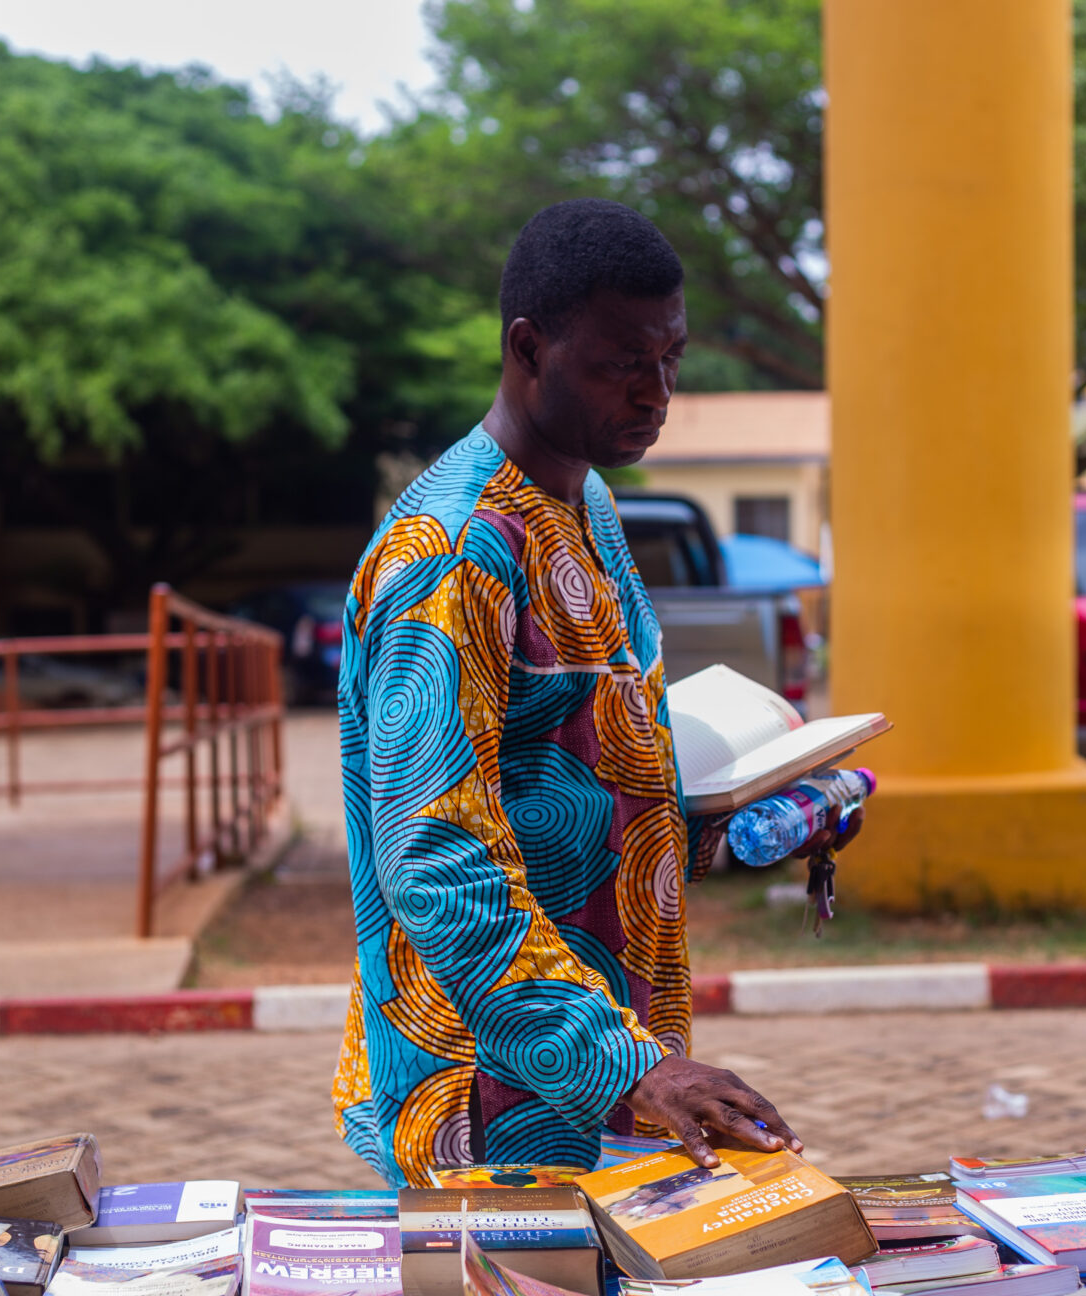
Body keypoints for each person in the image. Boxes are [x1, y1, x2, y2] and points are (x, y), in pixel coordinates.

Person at [330, 200, 848, 1187]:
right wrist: (631, 1069)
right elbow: (434, 858)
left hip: (616, 1068)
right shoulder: (454, 556)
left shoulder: (589, 504)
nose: (657, 392)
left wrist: (739, 813)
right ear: (529, 349)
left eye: (671, 358)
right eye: (622, 363)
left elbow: (568, 776)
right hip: (491, 1097)